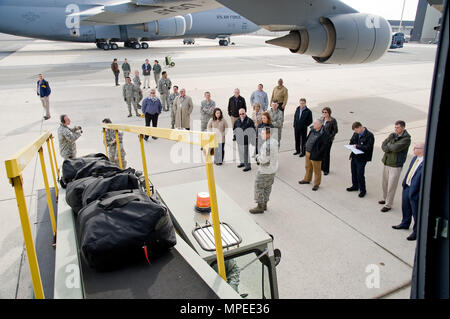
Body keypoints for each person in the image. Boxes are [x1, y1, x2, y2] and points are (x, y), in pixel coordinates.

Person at [392, 142, 425, 241]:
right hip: (407, 186)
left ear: (422, 150)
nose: (413, 149)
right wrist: (404, 182)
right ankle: (405, 223)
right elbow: (410, 170)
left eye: (416, 148)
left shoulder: (426, 162)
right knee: (405, 207)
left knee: (416, 212)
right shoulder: (415, 158)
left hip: (415, 190)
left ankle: (416, 232)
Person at [379, 120, 412, 212]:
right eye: (395, 127)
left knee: (391, 185)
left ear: (403, 128)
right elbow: (383, 145)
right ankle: (385, 198)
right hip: (386, 162)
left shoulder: (406, 139)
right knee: (384, 183)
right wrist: (389, 146)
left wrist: (389, 145)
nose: (396, 129)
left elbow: (395, 148)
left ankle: (388, 204)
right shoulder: (392, 135)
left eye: (398, 127)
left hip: (396, 165)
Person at [250, 127, 278, 214]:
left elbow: (264, 160)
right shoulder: (274, 142)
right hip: (272, 170)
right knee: (267, 187)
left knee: (259, 187)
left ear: (268, 134)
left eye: (262, 133)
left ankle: (260, 206)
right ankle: (265, 203)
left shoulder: (267, 145)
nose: (260, 135)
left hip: (265, 170)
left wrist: (257, 157)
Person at [298, 119, 330, 191]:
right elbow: (308, 138)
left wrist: (318, 153)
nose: (313, 125)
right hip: (308, 152)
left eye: (315, 123)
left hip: (316, 154)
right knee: (308, 167)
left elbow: (324, 146)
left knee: (317, 170)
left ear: (320, 125)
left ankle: (316, 184)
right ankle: (307, 179)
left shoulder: (324, 134)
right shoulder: (312, 130)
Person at [346, 122, 375, 198]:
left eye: (356, 130)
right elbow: (352, 142)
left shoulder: (369, 135)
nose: (355, 132)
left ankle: (363, 190)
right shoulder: (356, 134)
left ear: (360, 127)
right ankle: (355, 186)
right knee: (353, 172)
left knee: (360, 174)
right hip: (354, 155)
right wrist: (352, 145)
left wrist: (358, 146)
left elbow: (368, 147)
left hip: (362, 158)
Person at [321, 107, 338, 175]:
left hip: (328, 140)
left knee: (326, 154)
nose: (324, 113)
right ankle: (322, 167)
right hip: (321, 139)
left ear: (329, 113)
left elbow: (335, 130)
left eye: (325, 112)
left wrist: (330, 137)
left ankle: (326, 169)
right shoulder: (322, 119)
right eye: (323, 112)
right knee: (321, 153)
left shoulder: (332, 120)